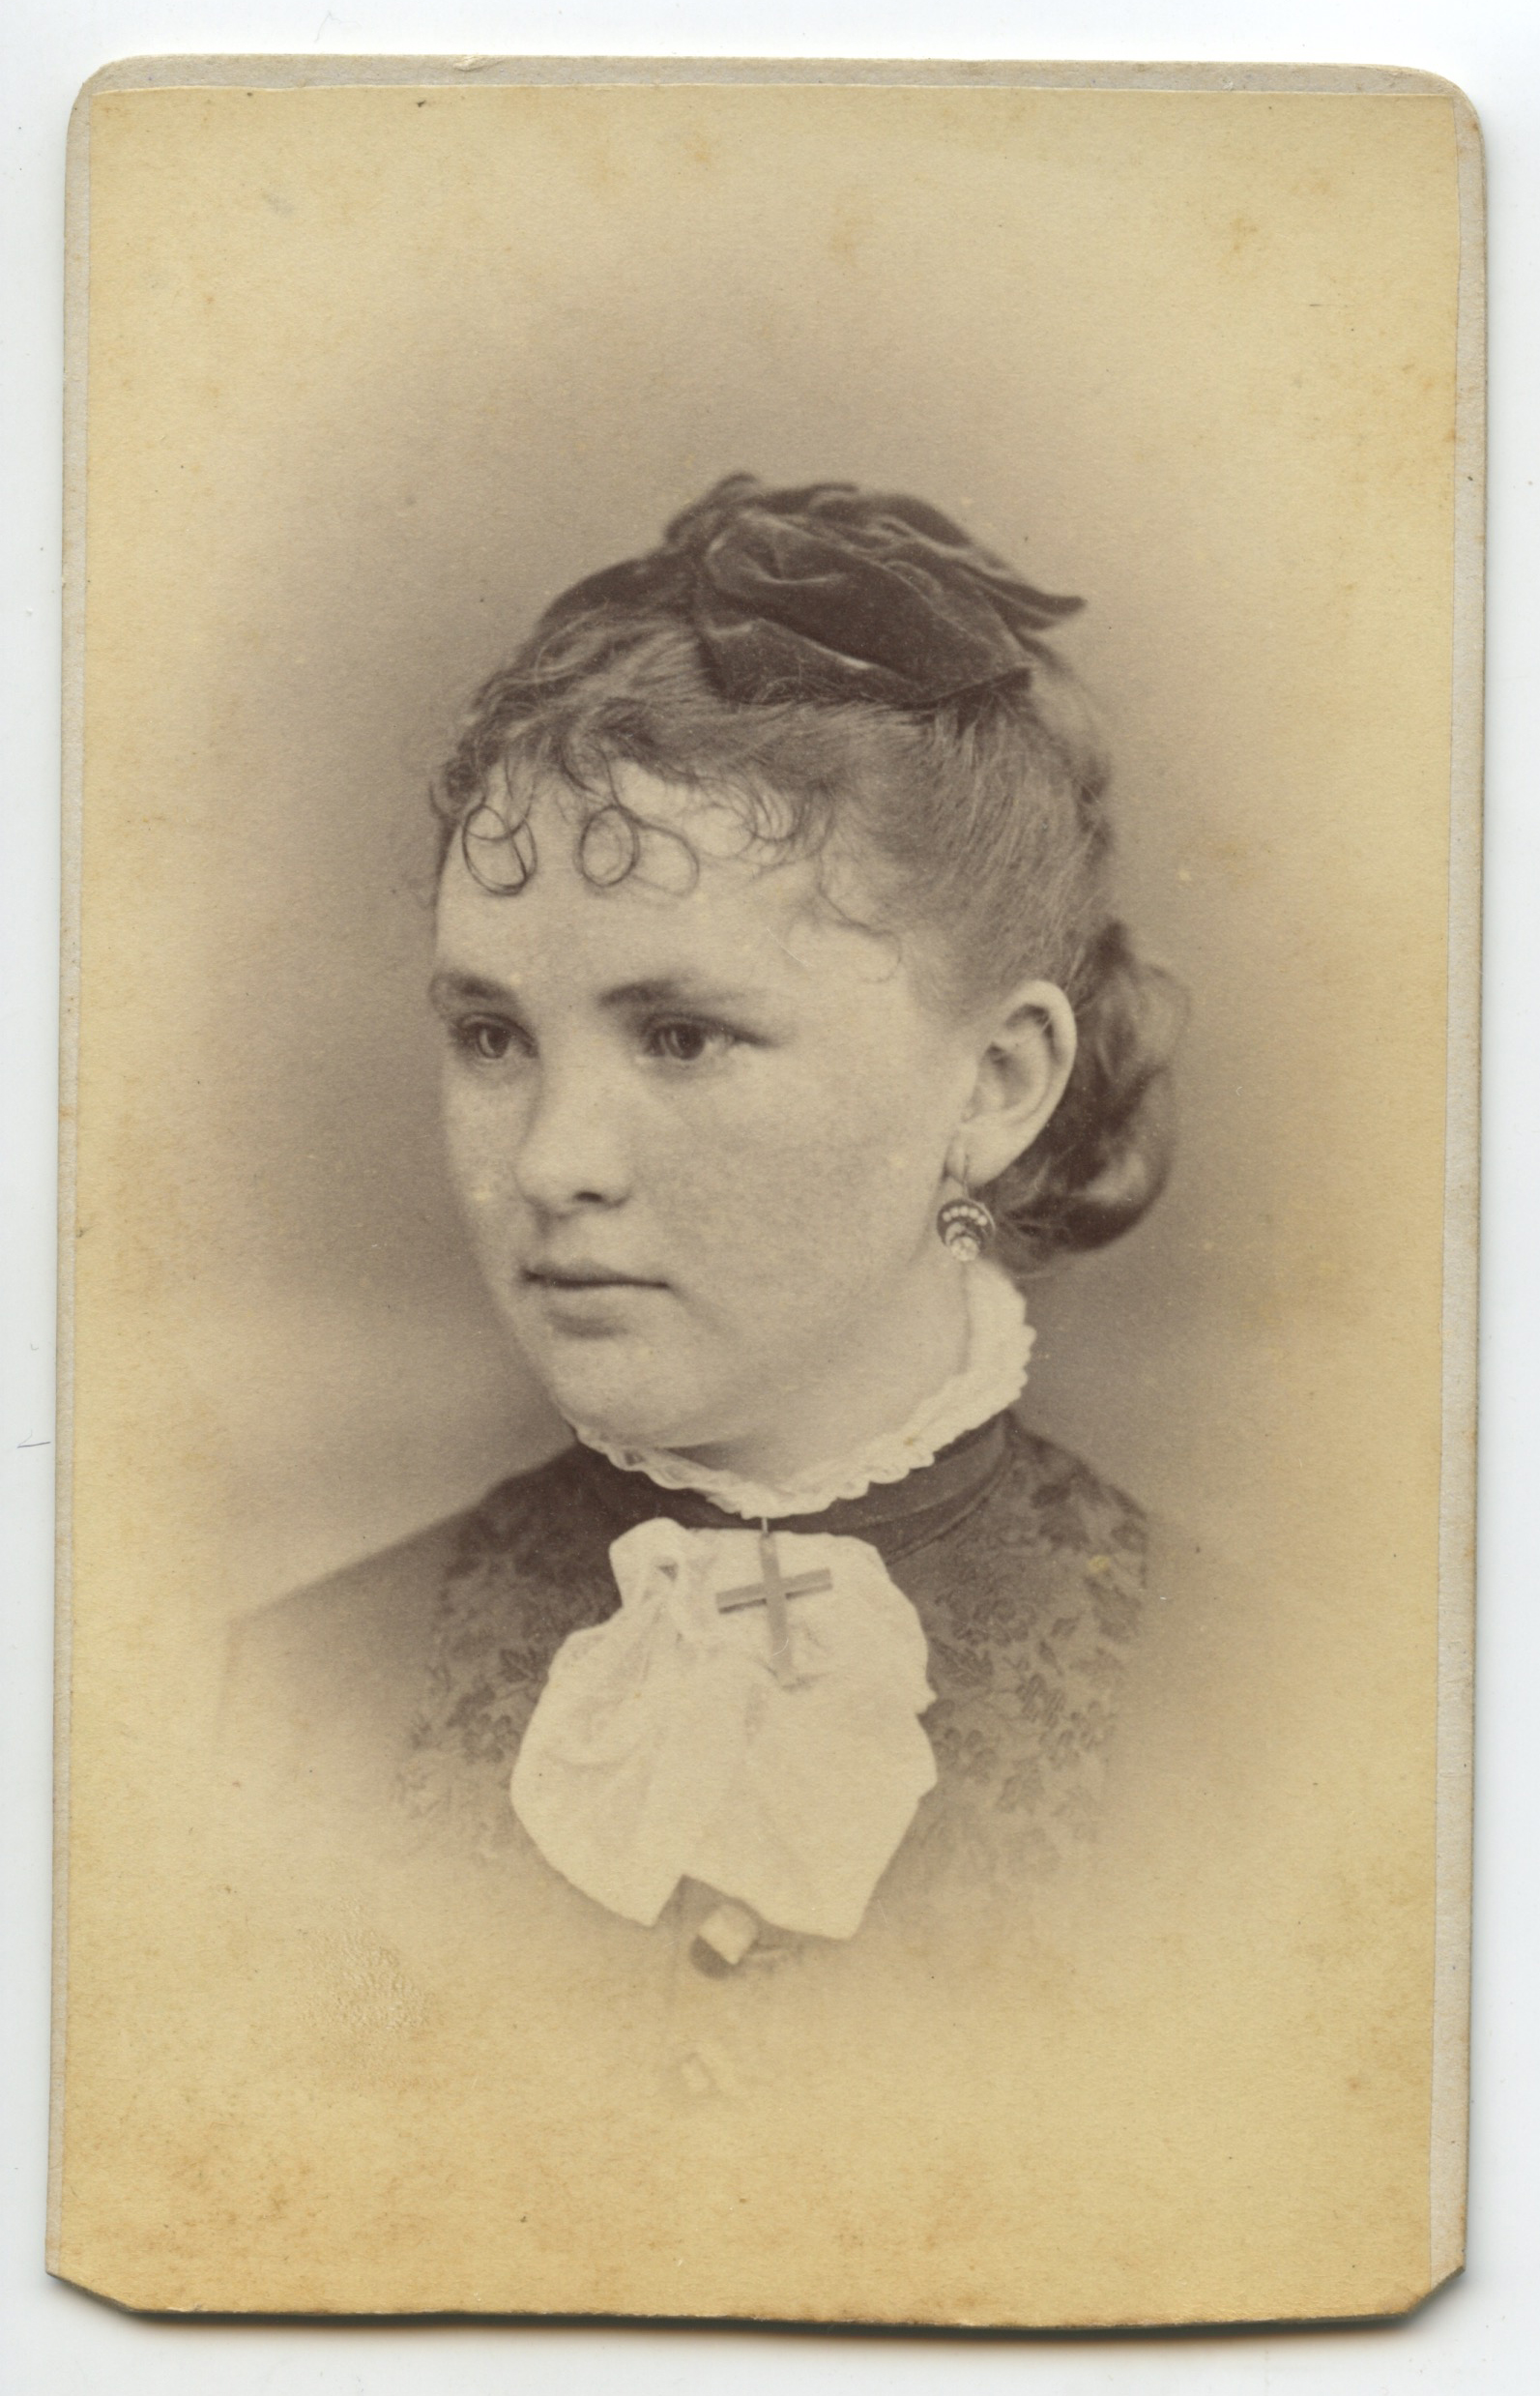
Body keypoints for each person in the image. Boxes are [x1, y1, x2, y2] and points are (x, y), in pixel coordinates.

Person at [225, 474, 1182, 2013]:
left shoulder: (1271, 1714)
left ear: (995, 1083)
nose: (552, 1163)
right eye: (491, 1034)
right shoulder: (286, 1698)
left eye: (680, 1035)